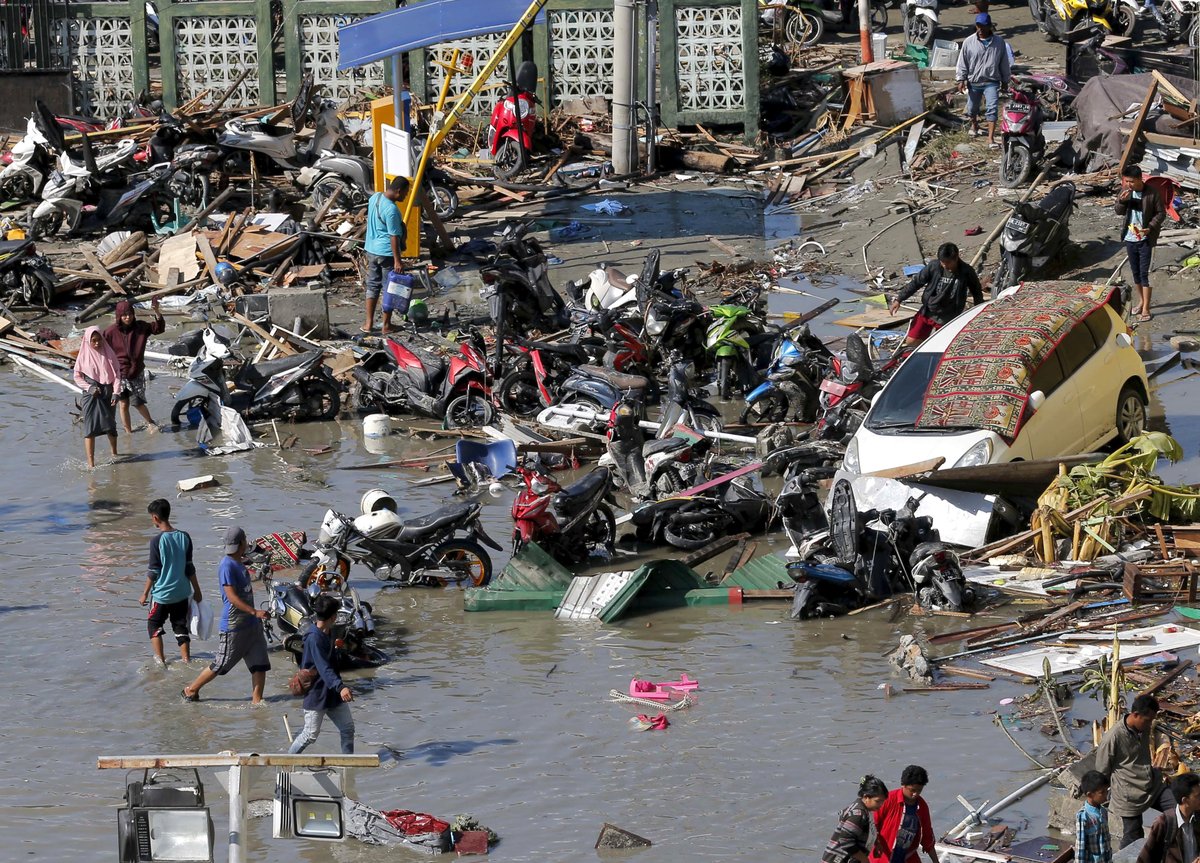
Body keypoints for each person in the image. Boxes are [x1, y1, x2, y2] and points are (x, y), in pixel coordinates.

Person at [182, 526, 271, 704]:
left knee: (260, 665)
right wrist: (255, 611)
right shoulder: (226, 565)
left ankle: (257, 703)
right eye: (245, 540)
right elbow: (231, 597)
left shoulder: (239, 562)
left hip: (252, 625)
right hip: (234, 627)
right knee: (221, 664)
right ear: (241, 543)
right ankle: (191, 690)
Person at [1095, 694, 1175, 849]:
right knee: (1133, 837)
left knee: (1180, 808)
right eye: (1148, 720)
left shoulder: (1143, 727)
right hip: (1128, 794)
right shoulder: (1113, 738)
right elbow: (1101, 772)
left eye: (1152, 720)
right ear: (1135, 715)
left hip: (1152, 783)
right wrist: (1100, 801)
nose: (1150, 724)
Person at [287, 594, 356, 754]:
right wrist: (341, 687)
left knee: (347, 729)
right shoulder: (314, 639)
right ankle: (287, 763)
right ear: (333, 616)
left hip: (332, 694)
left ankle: (347, 765)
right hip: (317, 694)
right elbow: (324, 668)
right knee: (310, 735)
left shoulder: (328, 633)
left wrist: (337, 648)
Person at [138, 498, 202, 667]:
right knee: (180, 626)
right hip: (182, 592)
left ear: (155, 518)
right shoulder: (185, 537)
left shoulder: (156, 541)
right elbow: (189, 567)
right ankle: (186, 660)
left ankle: (161, 662)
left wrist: (144, 593)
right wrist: (197, 590)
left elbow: (154, 570)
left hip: (162, 595)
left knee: (154, 625)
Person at [889, 243, 984, 346]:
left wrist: (979, 313)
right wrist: (899, 299)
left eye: (948, 262)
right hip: (928, 311)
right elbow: (916, 283)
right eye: (942, 262)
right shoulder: (934, 266)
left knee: (942, 346)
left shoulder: (967, 272)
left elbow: (977, 292)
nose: (944, 265)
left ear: (956, 258)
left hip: (949, 317)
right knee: (911, 342)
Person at [103, 298, 165, 433]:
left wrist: (156, 311)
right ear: (119, 316)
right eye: (124, 315)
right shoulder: (110, 332)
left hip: (136, 372)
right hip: (119, 373)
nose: (127, 317)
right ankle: (128, 432)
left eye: (130, 314)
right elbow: (101, 350)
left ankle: (151, 422)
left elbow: (159, 328)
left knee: (137, 402)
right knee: (123, 404)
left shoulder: (141, 327)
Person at [361, 175, 411, 335]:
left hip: (371, 250)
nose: (405, 196)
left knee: (372, 286)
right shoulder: (392, 210)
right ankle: (386, 325)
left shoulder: (375, 197)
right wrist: (398, 260)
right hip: (386, 253)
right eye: (405, 192)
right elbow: (393, 236)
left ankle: (368, 324)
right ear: (398, 191)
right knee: (389, 288)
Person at [1116, 165, 1166, 324]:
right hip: (1130, 238)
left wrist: (1149, 228)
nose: (1128, 184)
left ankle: (1146, 309)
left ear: (1139, 179)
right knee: (1135, 273)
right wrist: (1122, 201)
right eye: (1126, 181)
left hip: (1145, 239)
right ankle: (1141, 302)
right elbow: (1118, 211)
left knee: (1144, 274)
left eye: (1131, 181)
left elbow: (1161, 213)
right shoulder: (1125, 192)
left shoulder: (1152, 193)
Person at [955, 13, 1011, 148]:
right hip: (974, 81)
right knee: (972, 109)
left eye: (983, 26)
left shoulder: (999, 42)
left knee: (991, 108)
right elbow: (963, 62)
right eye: (978, 26)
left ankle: (990, 138)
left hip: (991, 81)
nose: (980, 29)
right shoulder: (969, 42)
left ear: (989, 26)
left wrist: (1005, 80)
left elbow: (1004, 63)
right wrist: (961, 79)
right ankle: (975, 126)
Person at [73, 325, 123, 469]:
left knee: (110, 425)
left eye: (99, 340)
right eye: (93, 341)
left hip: (107, 393)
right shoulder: (83, 356)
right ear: (88, 341)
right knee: (90, 429)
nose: (96, 343)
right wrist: (89, 388)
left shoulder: (109, 353)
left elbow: (117, 375)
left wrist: (116, 392)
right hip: (91, 395)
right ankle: (91, 463)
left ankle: (114, 453)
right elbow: (77, 377)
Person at [871, 765, 940, 863]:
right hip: (883, 856)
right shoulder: (887, 799)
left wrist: (936, 861)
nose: (915, 794)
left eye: (919, 790)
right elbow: (871, 826)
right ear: (903, 785)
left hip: (908, 857)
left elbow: (927, 837)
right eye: (912, 790)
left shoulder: (922, 806)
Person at [824, 775, 890, 863]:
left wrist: (876, 843)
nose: (880, 805)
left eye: (882, 802)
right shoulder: (858, 815)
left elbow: (869, 829)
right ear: (866, 797)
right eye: (877, 801)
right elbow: (845, 841)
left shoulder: (866, 809)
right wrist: (864, 860)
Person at [1136, 773, 1200, 863]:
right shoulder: (1163, 823)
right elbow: (1145, 858)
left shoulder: (1197, 818)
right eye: (1198, 796)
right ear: (1185, 800)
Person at [1076, 771, 1113, 863]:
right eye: (1102, 792)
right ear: (1090, 795)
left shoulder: (1103, 811)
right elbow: (1080, 846)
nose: (1106, 795)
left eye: (1106, 791)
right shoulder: (1083, 816)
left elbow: (1106, 841)